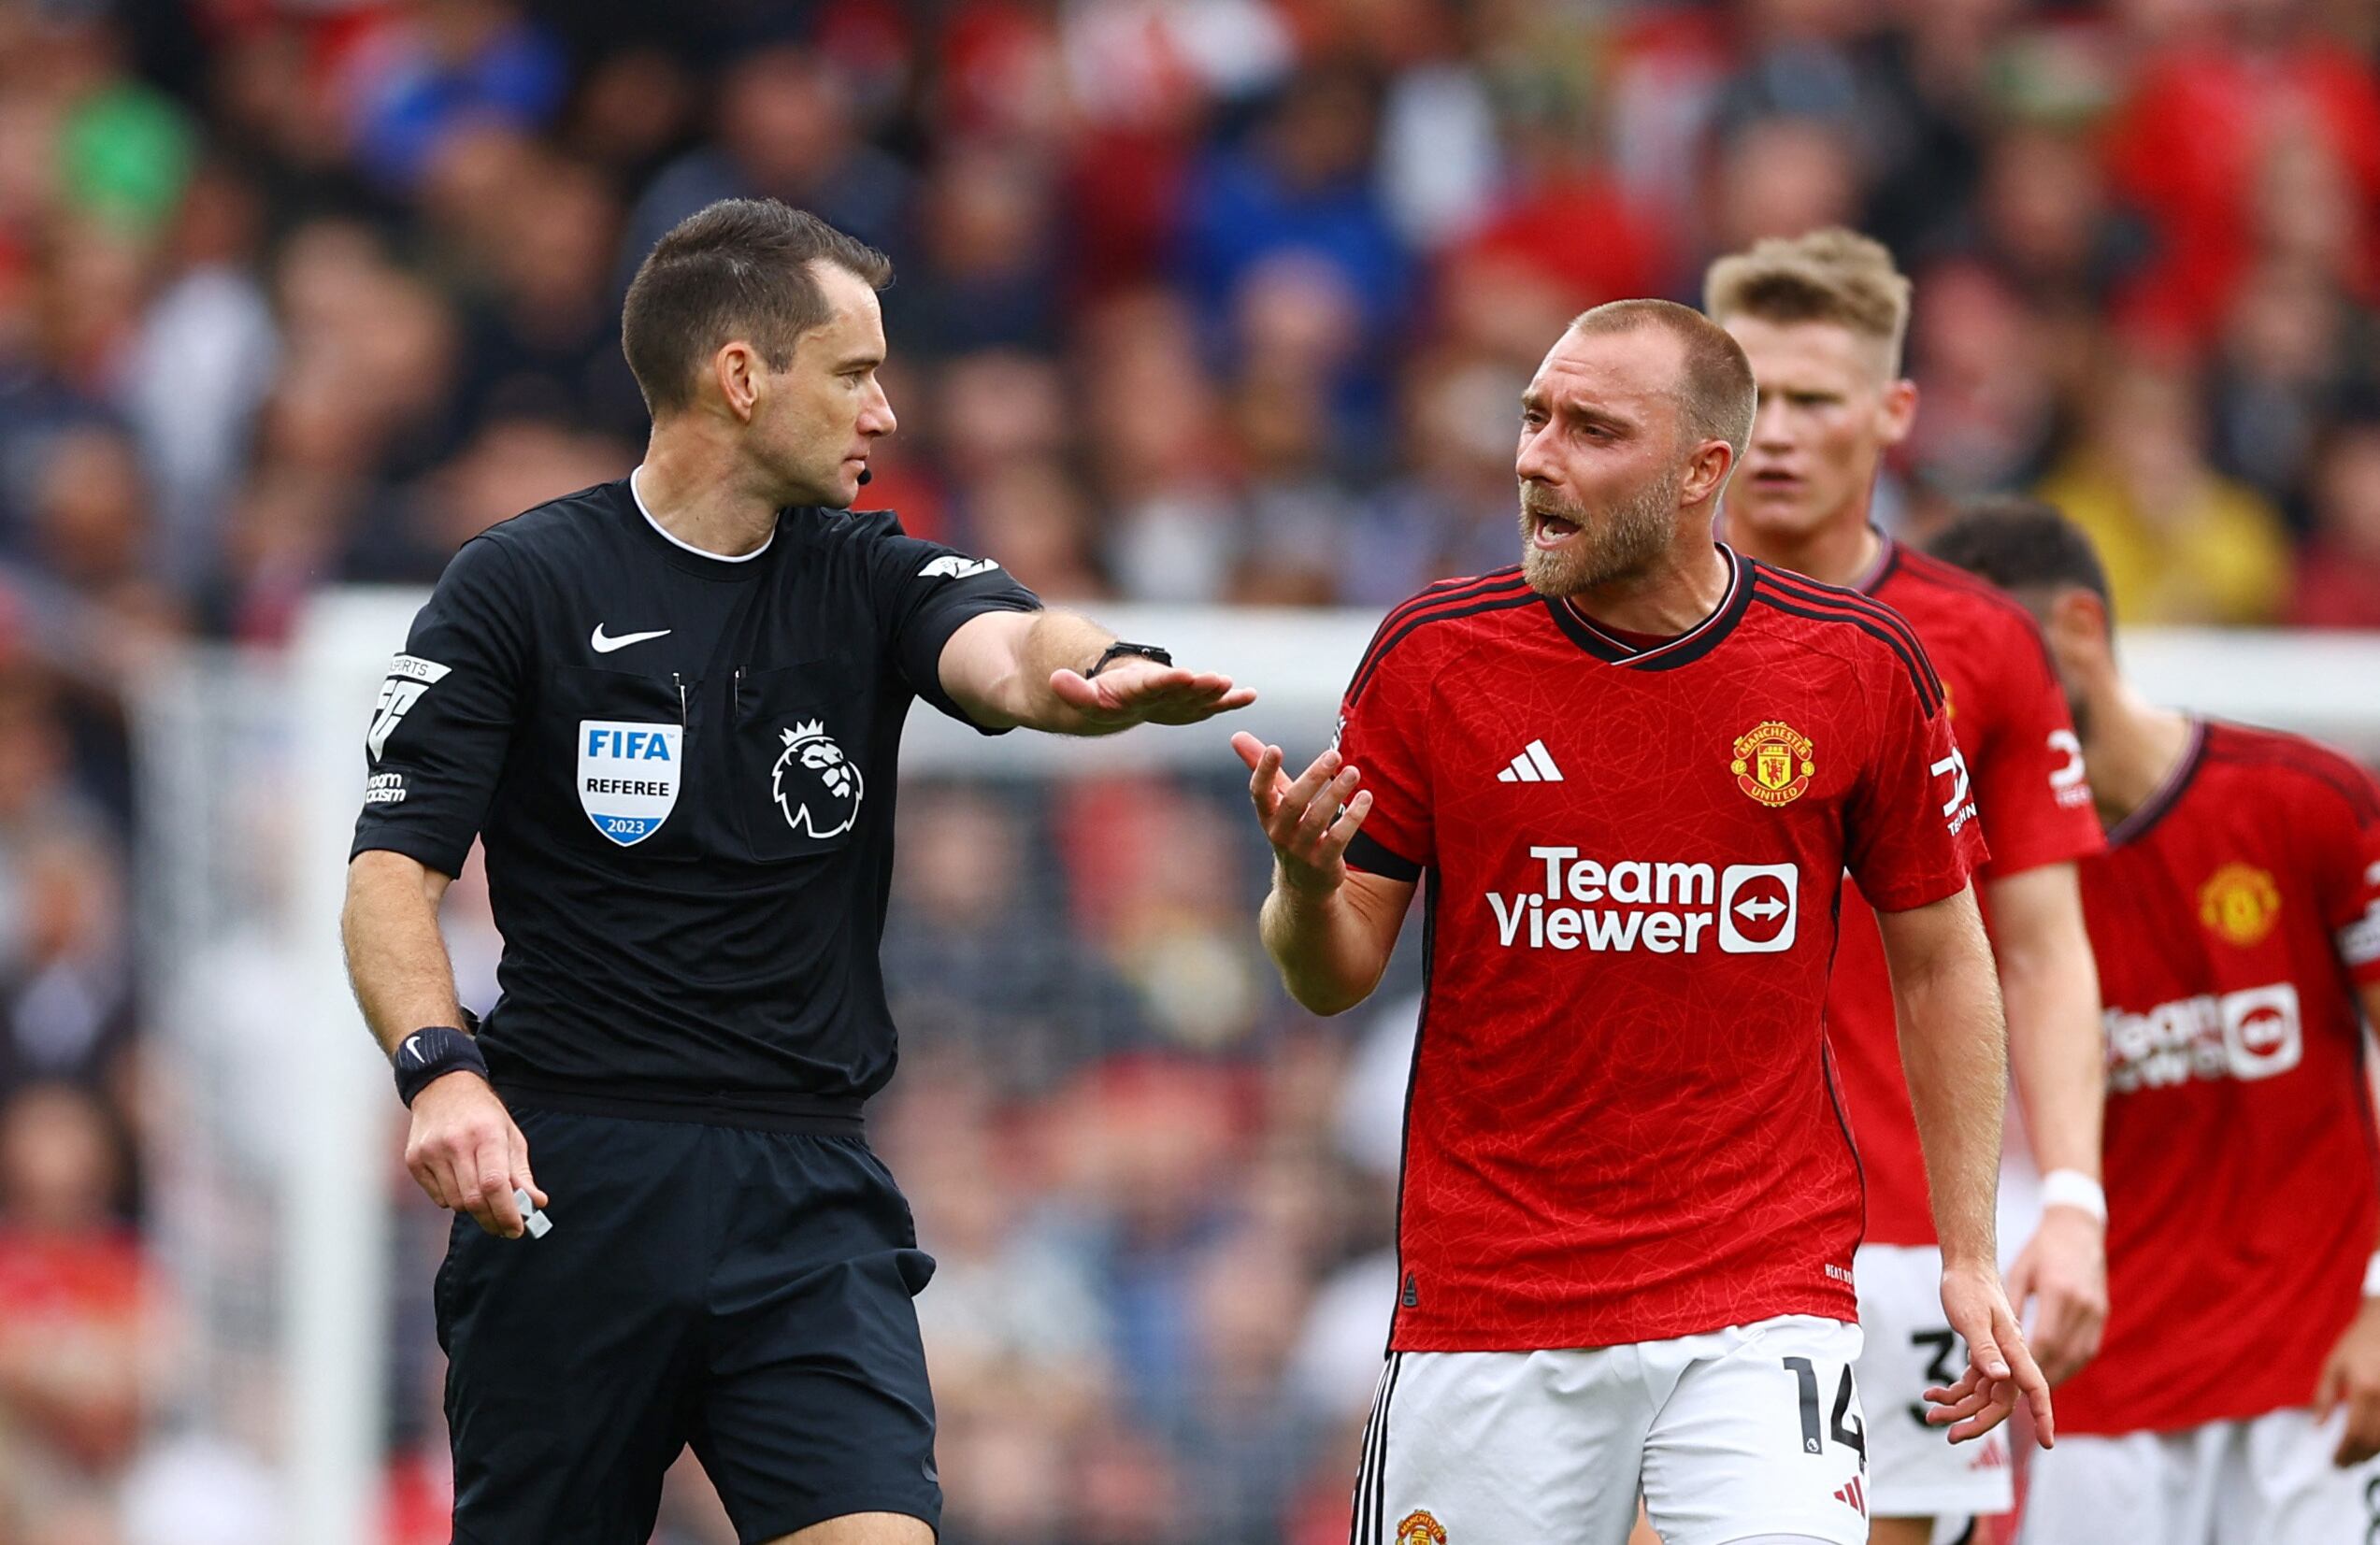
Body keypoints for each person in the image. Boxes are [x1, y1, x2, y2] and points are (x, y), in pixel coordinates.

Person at [338, 198, 1254, 1545]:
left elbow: (1006, 645)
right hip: (571, 1180)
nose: (886, 410)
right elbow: (390, 873)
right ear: (741, 376)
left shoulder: (864, 575)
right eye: (854, 372)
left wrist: (1096, 668)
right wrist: (441, 1071)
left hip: (806, 1189)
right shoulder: (519, 586)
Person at [1235, 297, 2052, 1545]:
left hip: (1760, 1295)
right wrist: (1301, 888)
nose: (1536, 457)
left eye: (1591, 429)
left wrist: (1967, 1252)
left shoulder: (1852, 668)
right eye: (1533, 418)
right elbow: (1331, 973)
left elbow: (1943, 959)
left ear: (1700, 470)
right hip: (1491, 1302)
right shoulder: (1432, 658)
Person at [1705, 228, 2110, 1545]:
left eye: (1812, 398)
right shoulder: (1612, 631)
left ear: (1892, 412)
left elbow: (2041, 949)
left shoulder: (1981, 645)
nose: (1774, 433)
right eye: (1751, 396)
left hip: (1900, 1236)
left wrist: (2070, 1196)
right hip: (1666, 1223)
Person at [1930, 499, 2380, 1544]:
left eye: (1993, 668)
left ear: (2080, 629)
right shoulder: (1969, 876)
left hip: (2314, 1376)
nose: (1972, 706)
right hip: (2099, 1393)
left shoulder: (2304, 802)